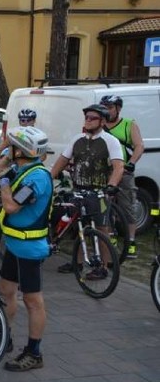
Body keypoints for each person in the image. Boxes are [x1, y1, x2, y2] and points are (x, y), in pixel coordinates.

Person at [0, 127, 54, 372]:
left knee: (32, 300)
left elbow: (10, 206)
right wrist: (5, 166)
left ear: (21, 149)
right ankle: (3, 336)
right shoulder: (24, 169)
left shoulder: (37, 177)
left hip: (29, 247)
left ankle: (34, 352)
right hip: (15, 243)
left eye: (12, 146)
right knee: (6, 289)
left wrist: (3, 184)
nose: (9, 149)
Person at [51, 104, 123, 278]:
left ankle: (103, 267)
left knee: (101, 229)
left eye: (93, 118)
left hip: (98, 192)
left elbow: (118, 166)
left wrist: (111, 185)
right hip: (78, 189)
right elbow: (62, 160)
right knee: (78, 227)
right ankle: (78, 262)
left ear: (103, 121)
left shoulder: (110, 141)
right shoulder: (77, 139)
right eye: (86, 118)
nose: (88, 121)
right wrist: (47, 179)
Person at [101, 94, 144, 258]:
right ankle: (110, 238)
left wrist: (131, 163)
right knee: (105, 205)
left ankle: (131, 240)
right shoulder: (99, 124)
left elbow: (139, 145)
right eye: (104, 107)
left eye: (110, 107)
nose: (107, 111)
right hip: (105, 171)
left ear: (118, 109)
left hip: (124, 172)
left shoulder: (128, 124)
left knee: (127, 206)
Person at [0, 108, 39, 176]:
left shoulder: (38, 135)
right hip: (14, 165)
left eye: (29, 120)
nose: (26, 123)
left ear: (34, 121)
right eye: (23, 120)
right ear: (19, 122)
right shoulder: (16, 134)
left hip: (31, 167)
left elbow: (42, 156)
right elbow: (1, 148)